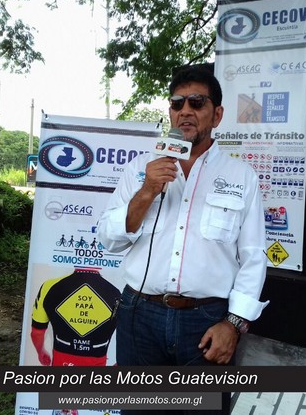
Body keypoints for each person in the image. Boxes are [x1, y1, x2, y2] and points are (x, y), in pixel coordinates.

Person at [97, 66, 269, 414]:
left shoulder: (241, 176)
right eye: (177, 103)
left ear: (216, 115)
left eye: (197, 102)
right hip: (139, 315)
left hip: (205, 322)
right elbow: (109, 240)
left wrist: (233, 324)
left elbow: (253, 257)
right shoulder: (141, 169)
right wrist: (147, 191)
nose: (185, 111)